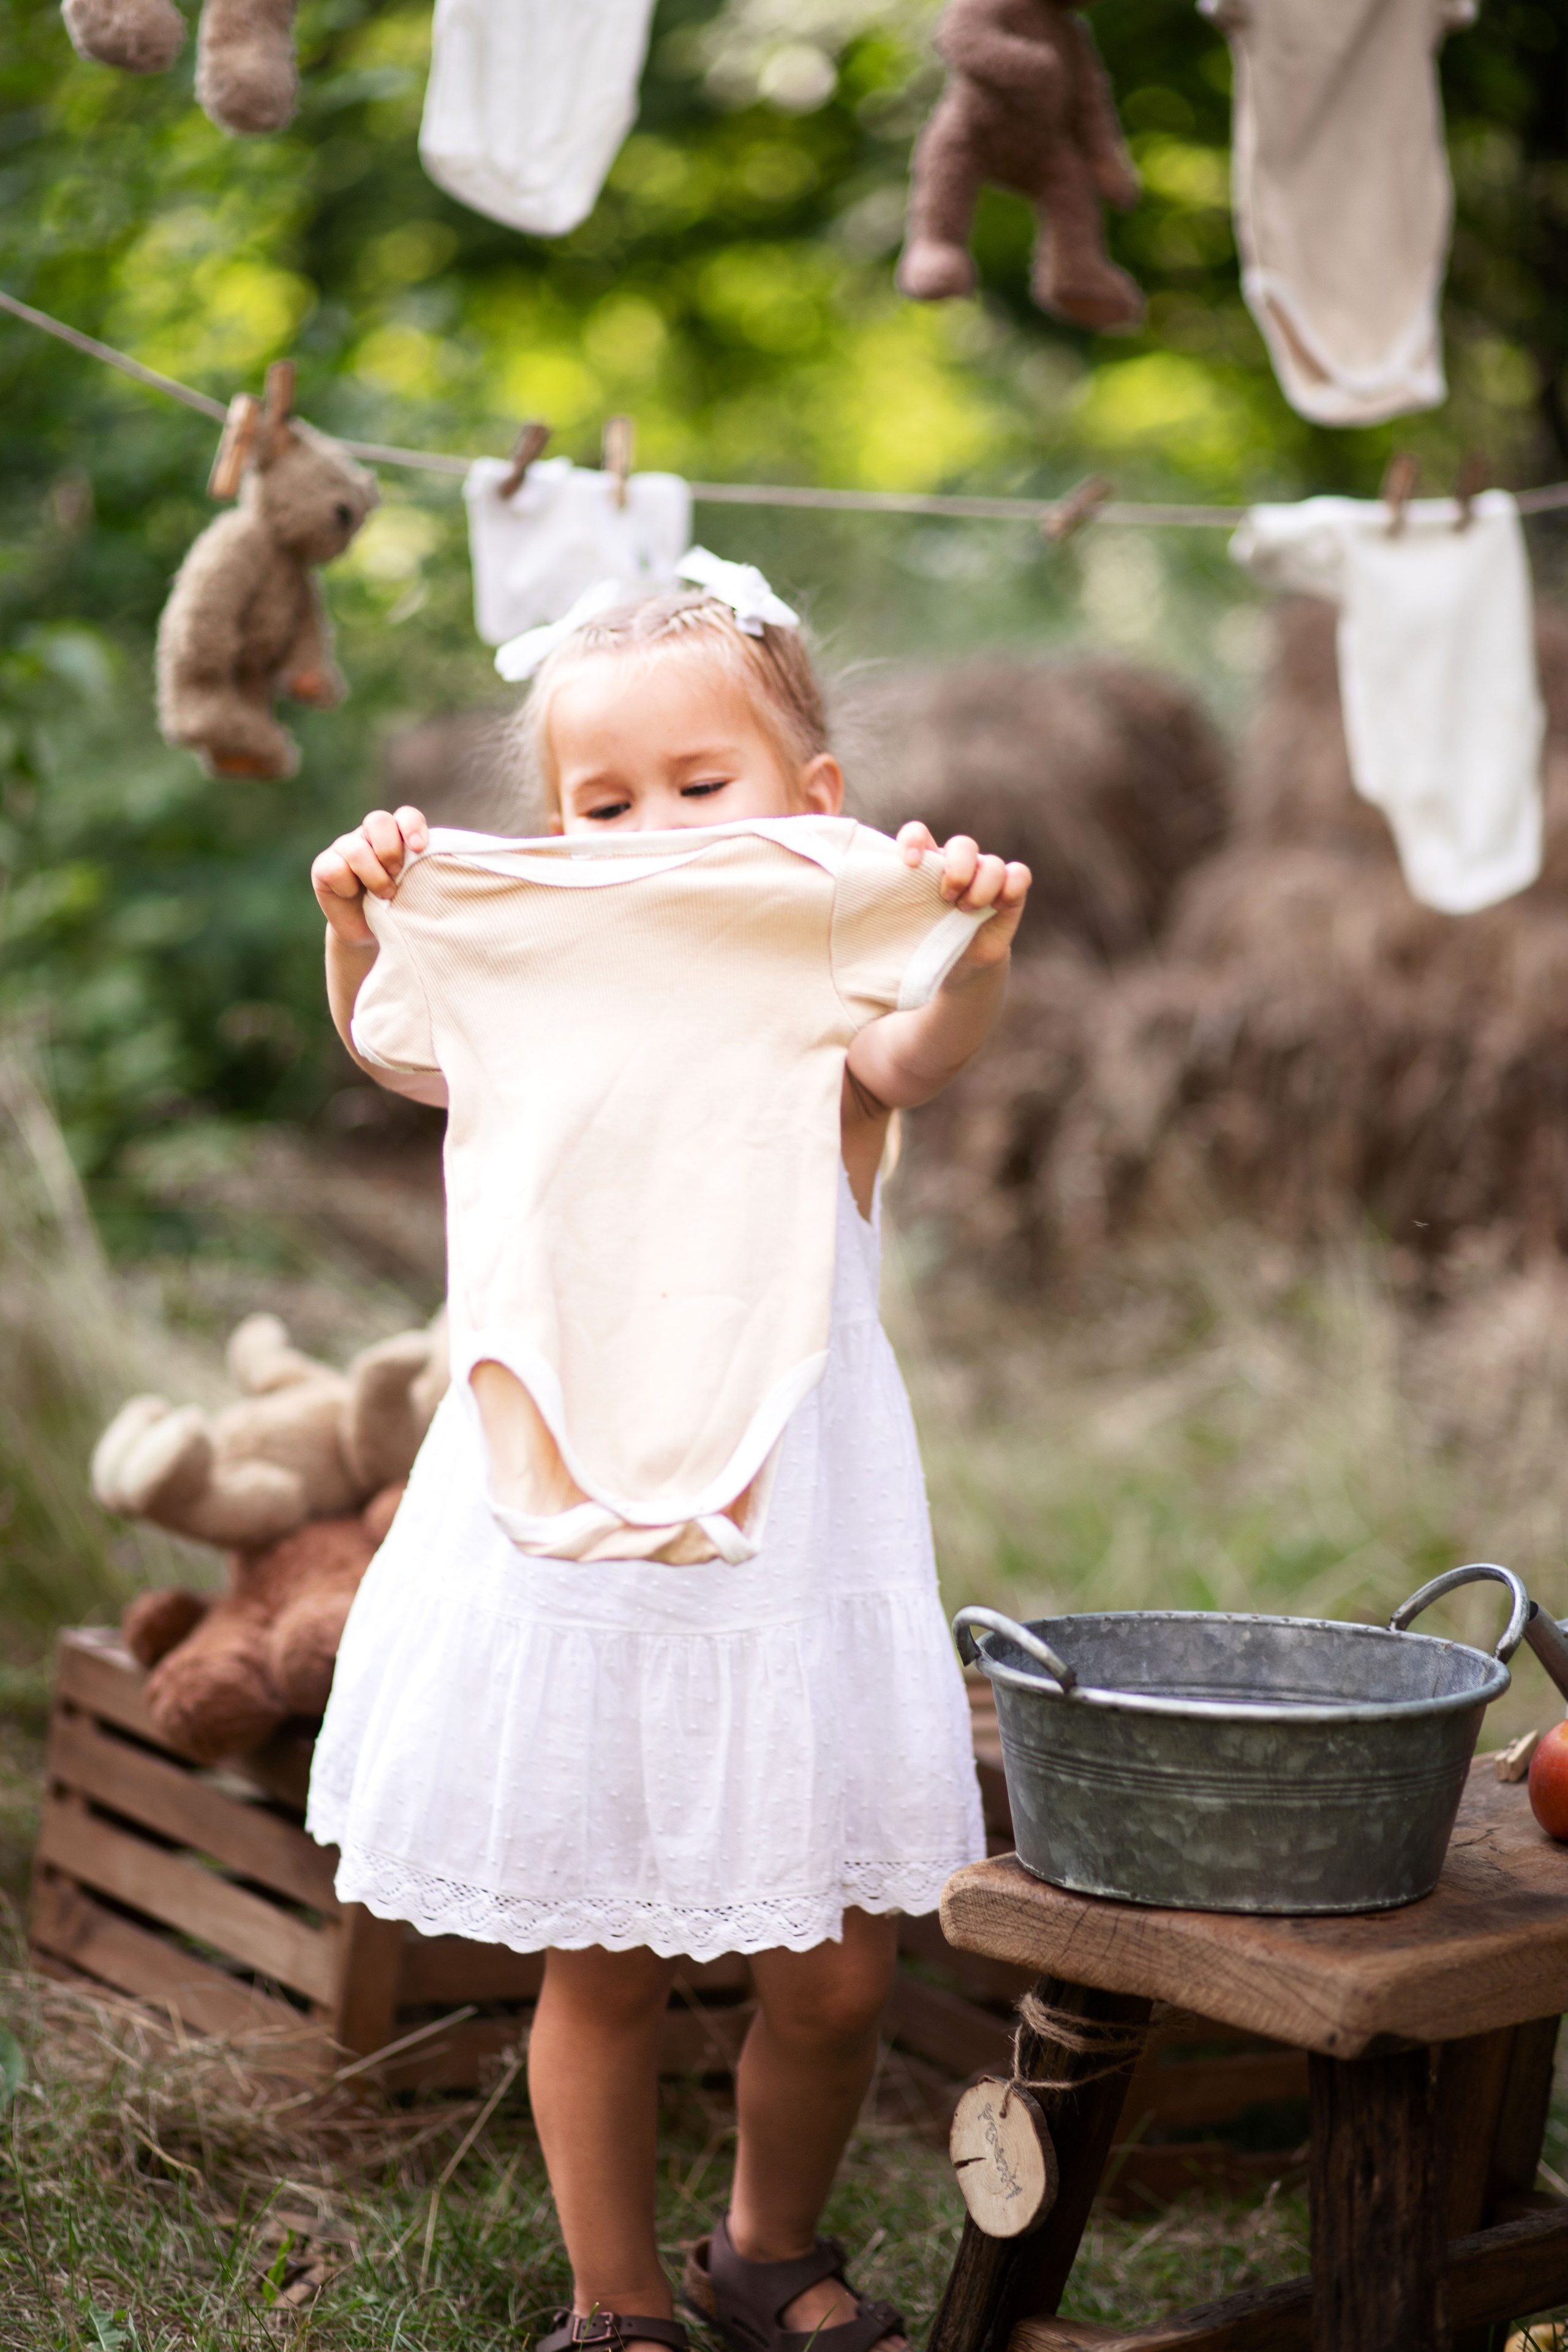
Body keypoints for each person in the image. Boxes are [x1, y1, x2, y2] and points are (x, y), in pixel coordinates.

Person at [306, 568, 1031, 2352]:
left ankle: (763, 2249)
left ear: (814, 800)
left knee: (838, 1970)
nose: (648, 837)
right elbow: (403, 1042)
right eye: (600, 805)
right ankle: (616, 2301)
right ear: (551, 829)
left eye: (700, 788)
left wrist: (974, 945)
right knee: (596, 1954)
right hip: (570, 1523)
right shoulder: (542, 969)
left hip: (790, 1524)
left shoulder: (819, 965)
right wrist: (361, 918)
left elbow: (915, 1057)